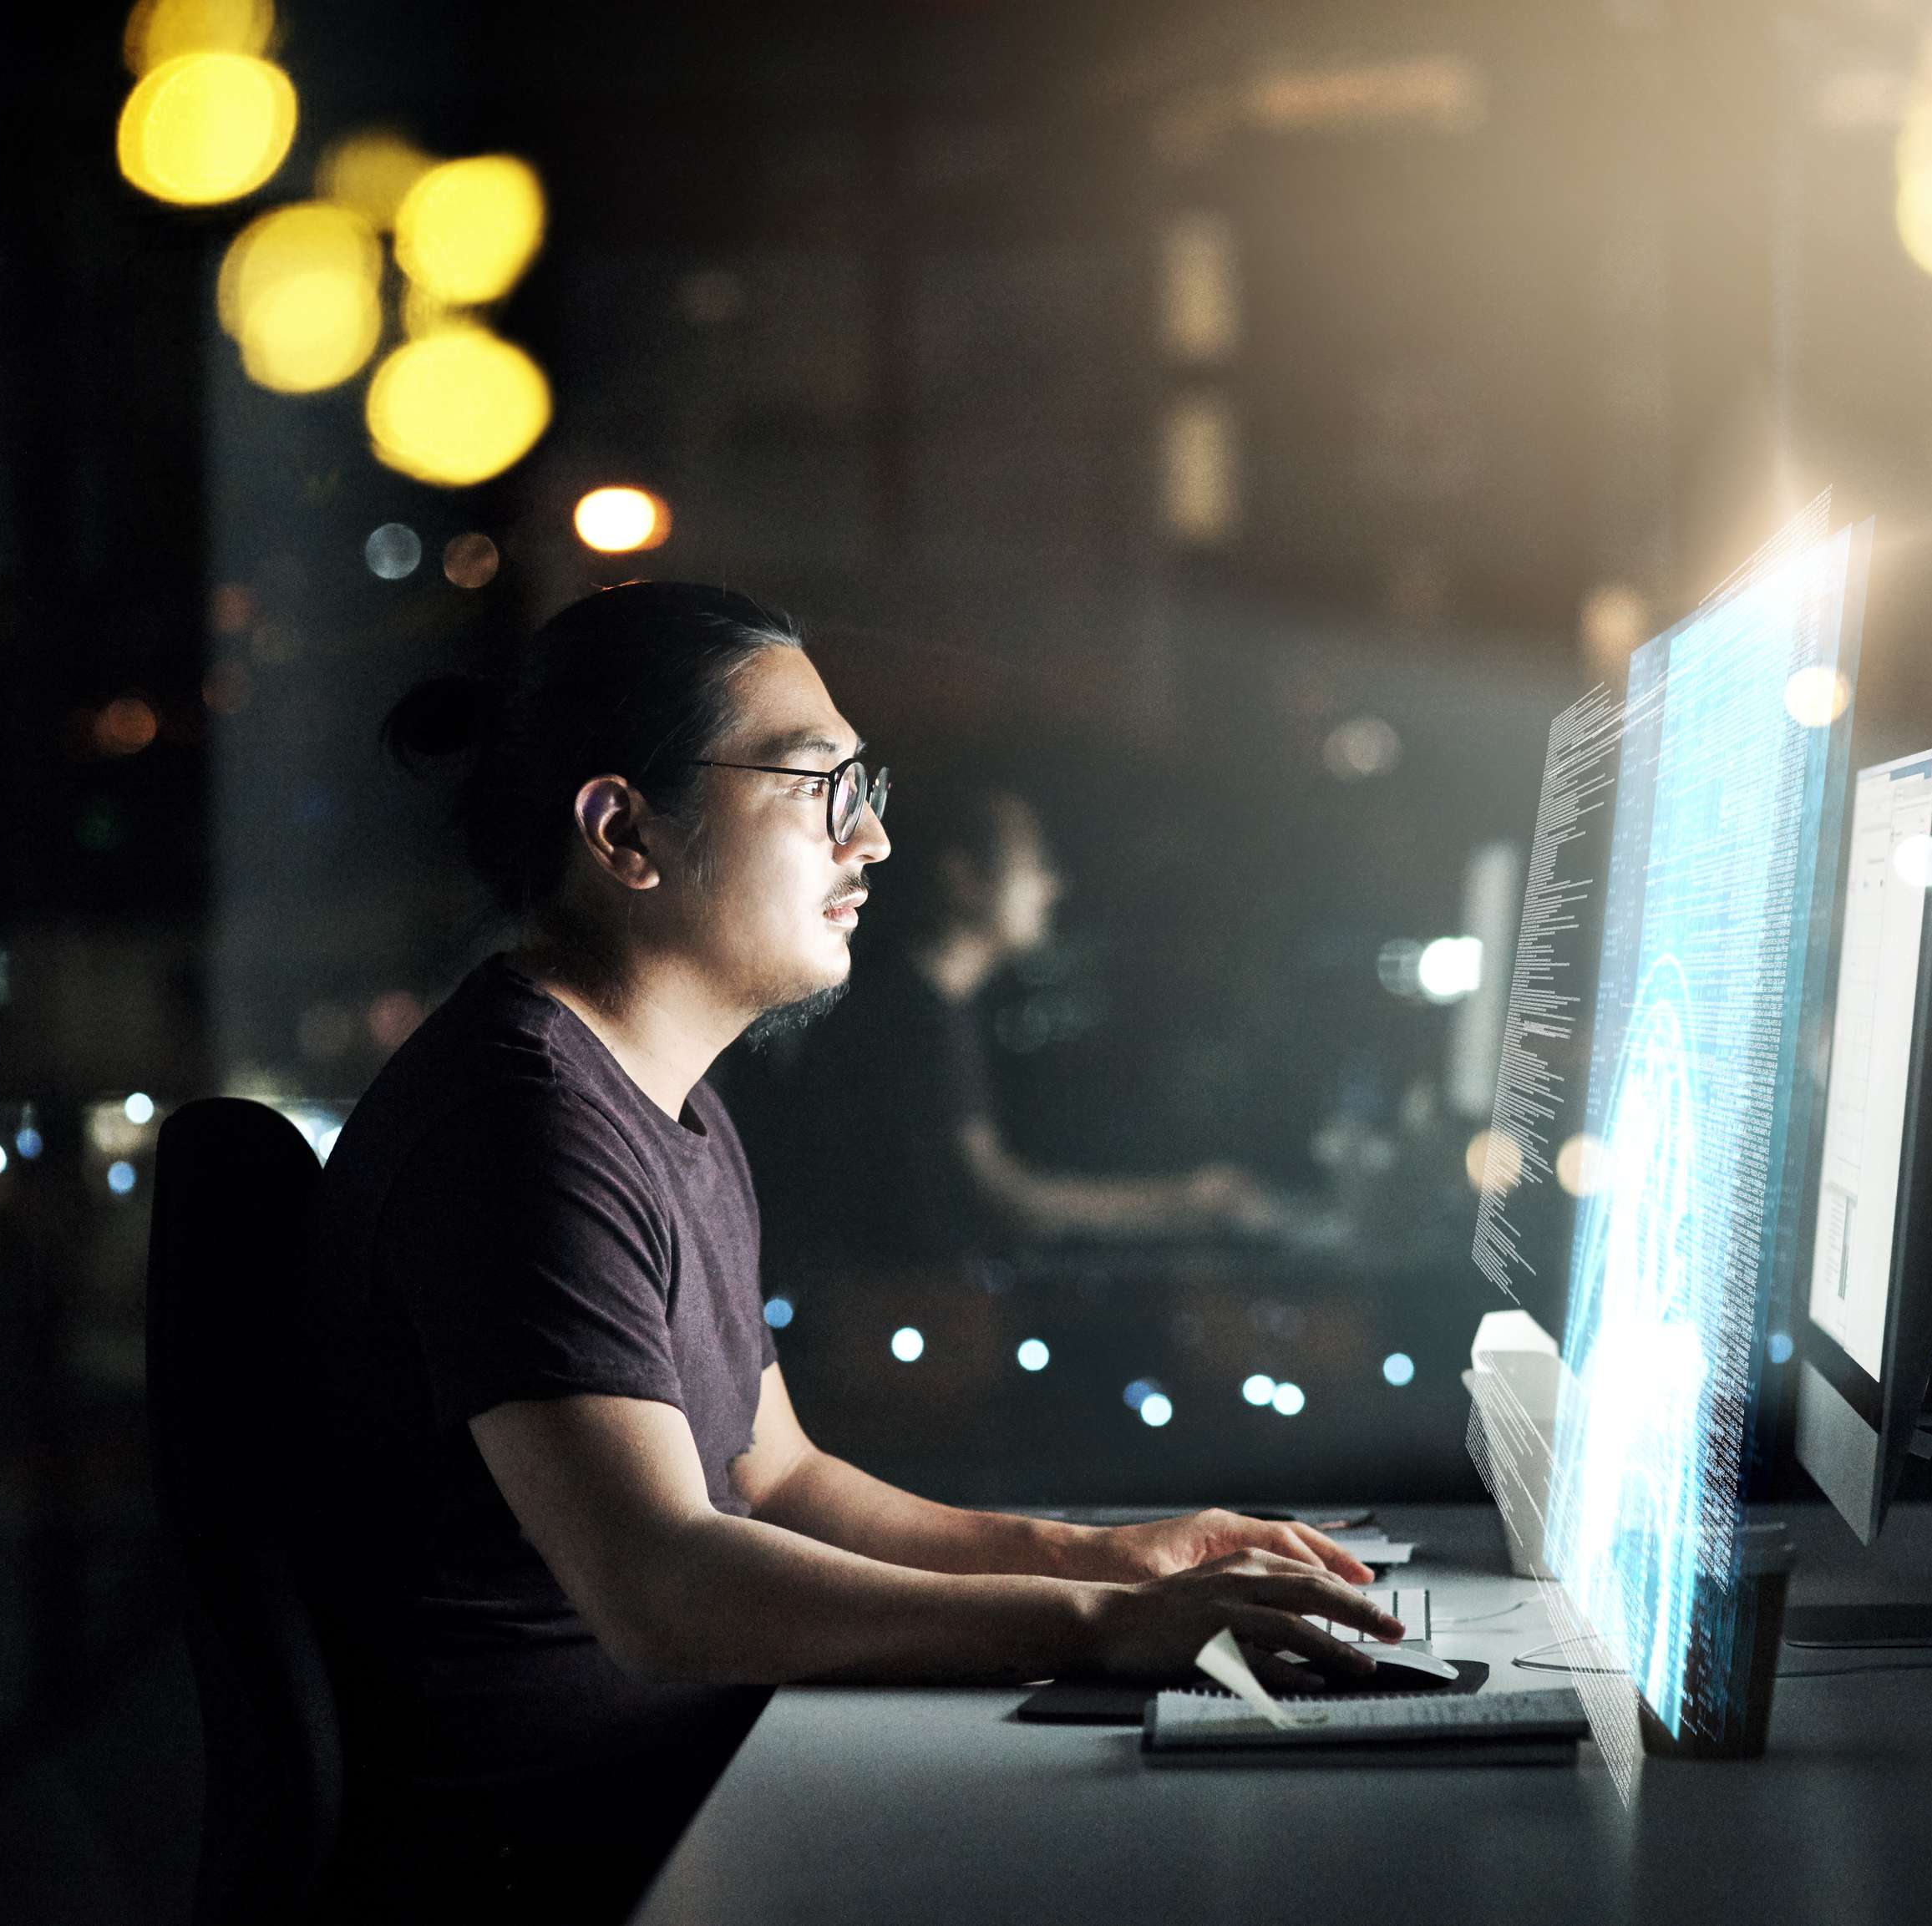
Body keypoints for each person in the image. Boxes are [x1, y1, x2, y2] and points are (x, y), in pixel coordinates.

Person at [302, 582, 1399, 1923]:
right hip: (565, 1861)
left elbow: (785, 1479)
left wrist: (1107, 1559)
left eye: (864, 785)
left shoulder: (671, 1102)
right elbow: (663, 1587)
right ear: (625, 830)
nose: (873, 837)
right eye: (820, 783)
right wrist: (1101, 1630)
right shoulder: (519, 1124)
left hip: (687, 1789)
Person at [769, 784, 1275, 1267]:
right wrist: (1188, 1202)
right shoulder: (912, 1017)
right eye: (1033, 865)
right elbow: (1002, 1198)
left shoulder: (933, 1005)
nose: (1052, 887)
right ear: (964, 878)